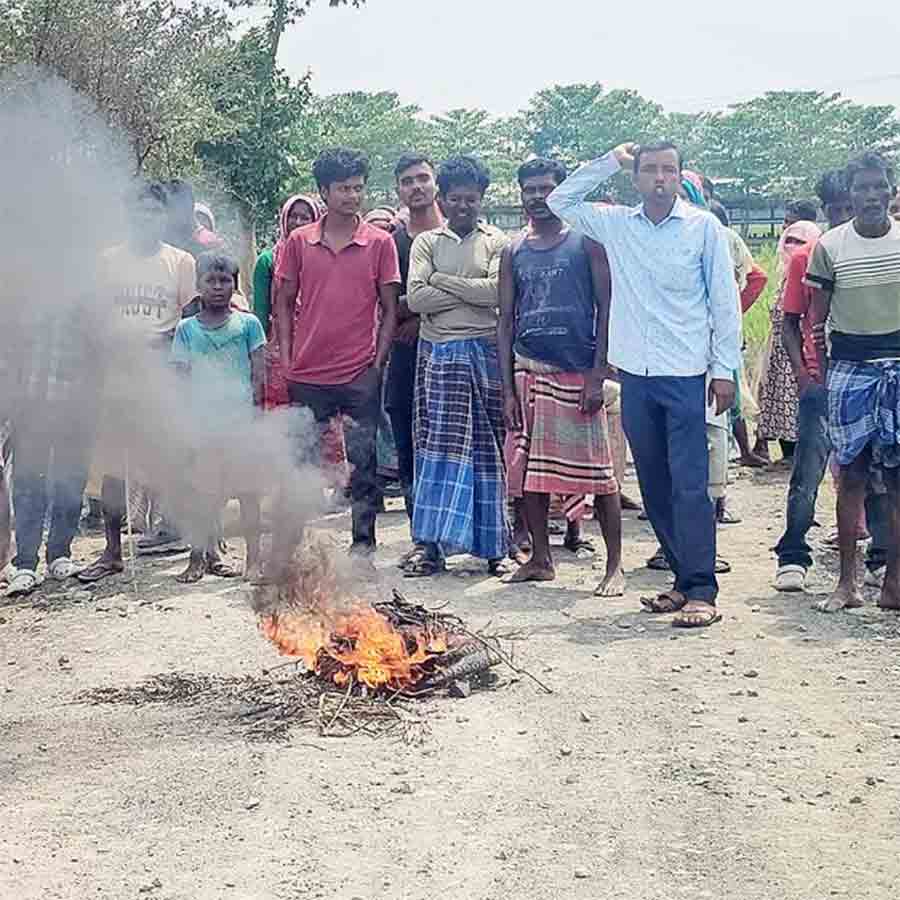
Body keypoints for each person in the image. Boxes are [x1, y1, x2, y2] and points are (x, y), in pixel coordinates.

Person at [547, 141, 742, 628]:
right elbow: (560, 202)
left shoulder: (703, 229)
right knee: (653, 484)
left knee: (690, 485)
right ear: (635, 178)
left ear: (679, 177)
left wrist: (724, 370)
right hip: (636, 373)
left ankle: (702, 590)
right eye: (649, 170)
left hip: (686, 373)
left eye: (668, 170)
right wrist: (609, 158)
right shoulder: (617, 225)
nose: (659, 178)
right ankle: (680, 580)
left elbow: (724, 302)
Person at [498, 158, 623, 594]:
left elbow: (606, 309)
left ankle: (614, 567)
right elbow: (505, 320)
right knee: (529, 474)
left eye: (546, 188)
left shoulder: (586, 242)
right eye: (529, 189)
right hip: (529, 371)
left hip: (576, 373)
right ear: (520, 195)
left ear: (560, 191)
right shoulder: (514, 249)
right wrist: (507, 387)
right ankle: (541, 558)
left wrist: (597, 373)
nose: (538, 197)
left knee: (599, 474)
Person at [274, 148, 400, 558]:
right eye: (343, 188)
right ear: (324, 191)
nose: (352, 196)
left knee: (364, 464)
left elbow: (390, 308)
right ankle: (292, 546)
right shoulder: (298, 241)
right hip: (308, 372)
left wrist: (377, 364)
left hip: (359, 373)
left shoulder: (379, 242)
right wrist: (289, 359)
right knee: (301, 463)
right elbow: (283, 300)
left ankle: (363, 545)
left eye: (358, 188)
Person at [772, 169, 886, 591]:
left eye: (849, 207)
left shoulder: (880, 250)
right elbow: (790, 322)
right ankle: (793, 554)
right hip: (824, 383)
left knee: (874, 469)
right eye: (837, 209)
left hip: (873, 377)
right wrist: (805, 376)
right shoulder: (809, 256)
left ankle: (880, 555)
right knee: (808, 470)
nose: (845, 215)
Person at [78, 182, 197, 583]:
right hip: (119, 372)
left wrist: (163, 341)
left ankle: (199, 549)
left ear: (164, 216)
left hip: (162, 371)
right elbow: (92, 316)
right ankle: (112, 551)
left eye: (154, 211)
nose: (147, 218)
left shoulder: (180, 261)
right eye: (140, 211)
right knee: (113, 466)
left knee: (175, 459)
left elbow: (192, 318)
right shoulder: (107, 261)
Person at [407, 156, 510, 575]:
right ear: (443, 200)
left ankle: (496, 549)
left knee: (490, 454)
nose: (463, 206)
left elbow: (497, 295)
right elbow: (415, 299)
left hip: (485, 355)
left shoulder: (499, 241)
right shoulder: (426, 243)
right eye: (455, 198)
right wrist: (473, 292)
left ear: (481, 199)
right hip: (439, 358)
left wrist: (442, 283)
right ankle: (430, 547)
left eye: (471, 199)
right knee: (436, 452)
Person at [807, 152, 900, 613]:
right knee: (852, 477)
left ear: (891, 190)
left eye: (878, 186)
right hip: (850, 369)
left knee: (899, 479)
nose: (870, 195)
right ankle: (847, 583)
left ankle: (894, 586)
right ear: (850, 195)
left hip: (899, 365)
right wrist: (825, 374)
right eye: (861, 188)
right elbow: (815, 320)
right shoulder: (830, 246)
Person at [171, 253, 266, 582]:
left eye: (225, 280)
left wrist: (255, 418)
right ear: (198, 286)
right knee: (202, 494)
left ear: (234, 285)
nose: (218, 287)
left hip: (240, 422)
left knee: (248, 492)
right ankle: (198, 558)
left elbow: (259, 373)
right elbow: (180, 377)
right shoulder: (186, 330)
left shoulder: (248, 324)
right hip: (202, 425)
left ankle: (254, 561)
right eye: (210, 281)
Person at [386, 154, 444, 572]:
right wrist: (404, 314)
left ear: (436, 183)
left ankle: (486, 539)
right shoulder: (390, 242)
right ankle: (422, 539)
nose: (417, 186)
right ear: (399, 191)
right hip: (405, 357)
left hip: (453, 353)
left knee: (459, 444)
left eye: (423, 178)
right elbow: (383, 302)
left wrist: (417, 312)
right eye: (408, 181)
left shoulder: (457, 233)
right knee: (410, 447)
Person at [753, 221, 823, 463]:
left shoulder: (816, 265)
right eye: (789, 240)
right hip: (780, 350)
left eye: (800, 241)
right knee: (778, 400)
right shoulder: (782, 274)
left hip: (803, 352)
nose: (792, 246)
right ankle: (787, 453)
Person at [253, 194, 322, 408]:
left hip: (318, 346)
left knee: (319, 413)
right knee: (281, 412)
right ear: (284, 219)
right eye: (293, 216)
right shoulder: (268, 260)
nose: (299, 223)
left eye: (305, 217)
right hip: (279, 347)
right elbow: (261, 312)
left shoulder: (325, 258)